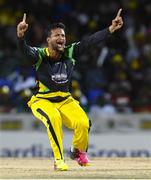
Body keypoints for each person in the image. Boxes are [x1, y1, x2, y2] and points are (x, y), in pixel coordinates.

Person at [16, 9, 123, 171]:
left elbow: (90, 41)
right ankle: (59, 160)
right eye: (57, 35)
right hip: (42, 101)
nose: (61, 38)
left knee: (83, 123)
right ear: (48, 39)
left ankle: (77, 151)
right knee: (54, 118)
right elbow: (24, 52)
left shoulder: (70, 52)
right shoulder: (39, 55)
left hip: (65, 99)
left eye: (63, 36)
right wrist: (20, 37)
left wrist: (110, 30)